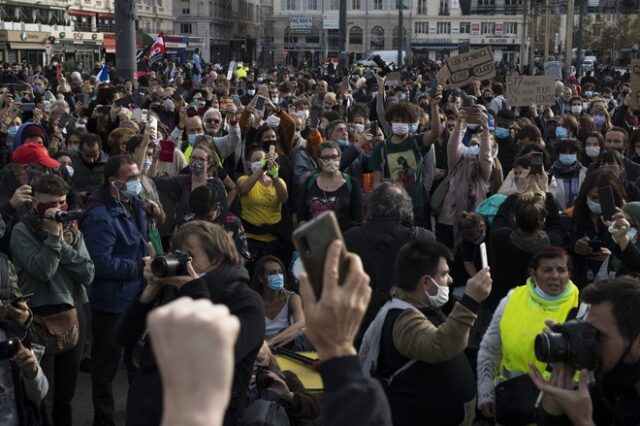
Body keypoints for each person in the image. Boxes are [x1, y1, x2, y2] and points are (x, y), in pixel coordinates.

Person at [119, 220, 264, 426]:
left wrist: (195, 290)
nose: (179, 262)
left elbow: (212, 358)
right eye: (176, 253)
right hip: (149, 411)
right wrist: (148, 294)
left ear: (217, 257)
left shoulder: (246, 302)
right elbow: (124, 338)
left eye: (188, 256)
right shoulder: (175, 291)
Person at [359, 239, 492, 426]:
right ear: (427, 283)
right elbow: (439, 345)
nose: (451, 280)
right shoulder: (403, 320)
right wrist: (470, 302)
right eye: (445, 274)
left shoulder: (419, 308)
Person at [10, 174, 94, 426]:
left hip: (73, 311)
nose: (57, 210)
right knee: (42, 392)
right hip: (37, 316)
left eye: (61, 203)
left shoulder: (72, 230)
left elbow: (88, 273)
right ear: (35, 203)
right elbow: (42, 270)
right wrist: (54, 239)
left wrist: (60, 243)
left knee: (65, 394)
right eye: (49, 205)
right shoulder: (22, 230)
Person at [80, 155, 148, 426]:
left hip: (138, 296)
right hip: (112, 302)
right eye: (130, 178)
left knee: (137, 361)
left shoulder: (134, 203)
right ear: (113, 181)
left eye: (137, 175)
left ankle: (137, 413)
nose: (136, 182)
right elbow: (101, 264)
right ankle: (103, 417)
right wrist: (138, 268)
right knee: (106, 365)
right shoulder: (99, 216)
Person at [476, 246, 579, 423]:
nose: (555, 276)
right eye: (547, 269)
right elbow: (489, 349)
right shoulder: (512, 298)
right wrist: (486, 393)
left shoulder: (583, 308)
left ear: (569, 273)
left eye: (561, 270)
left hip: (558, 412)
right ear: (533, 272)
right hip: (512, 408)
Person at [529, 276, 640, 425]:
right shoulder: (612, 391)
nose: (588, 343)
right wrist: (554, 407)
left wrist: (582, 421)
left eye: (598, 335)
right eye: (587, 330)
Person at [343, 182, 434, 343]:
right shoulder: (423, 238)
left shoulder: (351, 237)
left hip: (363, 326)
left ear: (371, 206)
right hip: (408, 324)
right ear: (406, 207)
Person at [237, 146, 288, 268]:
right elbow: (243, 189)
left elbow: (284, 199)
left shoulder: (278, 181)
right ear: (249, 164)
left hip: (273, 241)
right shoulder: (244, 180)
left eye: (263, 159)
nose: (260, 161)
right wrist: (262, 168)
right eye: (257, 160)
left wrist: (274, 177)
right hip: (251, 241)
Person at [246, 341, 320, 425]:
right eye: (249, 362)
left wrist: (289, 396)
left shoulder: (286, 378)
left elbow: (315, 410)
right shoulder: (234, 384)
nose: (254, 367)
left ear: (269, 359)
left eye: (260, 360)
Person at [297, 141, 363, 232]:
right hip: (315, 240)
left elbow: (358, 219)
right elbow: (301, 213)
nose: (331, 161)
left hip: (343, 240)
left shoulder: (351, 183)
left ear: (339, 158)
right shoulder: (310, 181)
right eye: (326, 158)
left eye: (334, 157)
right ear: (319, 160)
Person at [249, 255, 306, 350]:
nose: (278, 276)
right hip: (259, 347)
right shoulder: (254, 300)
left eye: (280, 272)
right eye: (272, 273)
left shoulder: (292, 298)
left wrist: (271, 342)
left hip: (285, 345)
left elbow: (301, 323)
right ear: (261, 278)